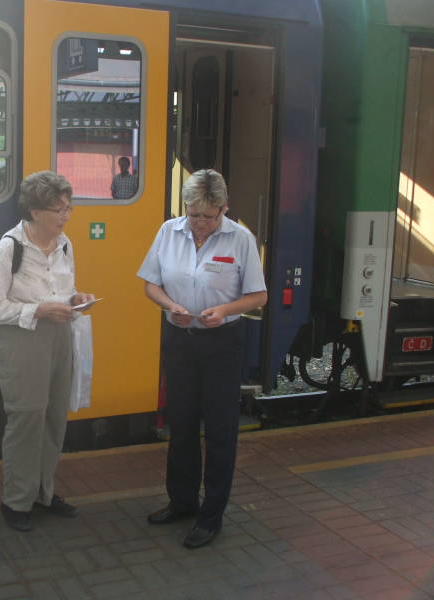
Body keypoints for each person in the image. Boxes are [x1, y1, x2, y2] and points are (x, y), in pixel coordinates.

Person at [137, 169, 267, 549]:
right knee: (181, 424)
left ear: (224, 209)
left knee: (221, 431)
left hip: (222, 344)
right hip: (180, 339)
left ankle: (211, 515)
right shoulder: (168, 231)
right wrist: (170, 306)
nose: (200, 224)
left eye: (209, 216)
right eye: (194, 215)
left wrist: (225, 309)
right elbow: (150, 283)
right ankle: (181, 502)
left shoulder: (240, 238)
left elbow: (258, 296)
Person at [0, 170, 96, 532]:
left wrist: (76, 299)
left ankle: (44, 493)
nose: (66, 215)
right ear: (34, 211)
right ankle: (15, 501)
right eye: (58, 209)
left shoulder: (65, 244)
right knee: (27, 417)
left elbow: (64, 287)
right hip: (21, 339)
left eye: (68, 207)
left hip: (60, 335)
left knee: (53, 416)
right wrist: (38, 310)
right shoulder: (10, 246)